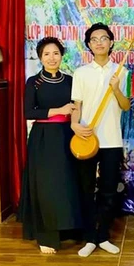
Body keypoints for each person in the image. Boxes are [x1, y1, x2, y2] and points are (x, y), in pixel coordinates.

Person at [71, 23, 131, 257]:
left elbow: (125, 106)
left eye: (103, 38)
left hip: (111, 140)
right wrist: (74, 125)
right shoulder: (81, 73)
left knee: (108, 191)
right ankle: (89, 238)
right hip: (86, 138)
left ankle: (103, 236)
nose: (99, 43)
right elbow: (77, 105)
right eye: (94, 39)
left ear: (111, 42)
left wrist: (116, 89)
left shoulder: (121, 71)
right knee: (85, 189)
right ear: (89, 44)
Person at [18, 37, 80, 254]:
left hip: (67, 135)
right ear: (40, 57)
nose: (52, 58)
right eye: (46, 54)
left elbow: (78, 107)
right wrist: (58, 110)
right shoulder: (33, 82)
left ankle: (67, 230)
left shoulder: (71, 80)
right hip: (43, 138)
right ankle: (45, 236)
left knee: (66, 184)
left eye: (56, 53)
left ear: (62, 56)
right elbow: (28, 112)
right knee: (45, 186)